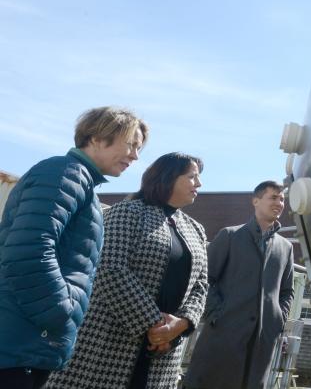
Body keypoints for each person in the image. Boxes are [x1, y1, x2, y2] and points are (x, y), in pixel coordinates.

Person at [0, 106, 148, 389]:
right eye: (130, 144)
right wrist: (60, 313)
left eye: (138, 148)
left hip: (29, 342)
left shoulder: (80, 182)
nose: (135, 156)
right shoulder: (64, 172)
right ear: (95, 137)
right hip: (20, 341)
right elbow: (28, 249)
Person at [46, 152, 208, 389]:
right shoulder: (128, 212)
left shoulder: (196, 230)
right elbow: (110, 268)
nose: (199, 183)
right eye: (192, 176)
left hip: (164, 353)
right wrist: (154, 325)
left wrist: (181, 324)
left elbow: (202, 285)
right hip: (109, 341)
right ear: (168, 177)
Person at [184, 180, 294, 389]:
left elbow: (287, 291)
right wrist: (216, 313)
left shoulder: (285, 247)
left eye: (282, 199)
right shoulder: (230, 235)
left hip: (263, 340)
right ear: (255, 201)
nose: (279, 203)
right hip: (223, 335)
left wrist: (277, 319)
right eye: (273, 197)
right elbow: (204, 278)